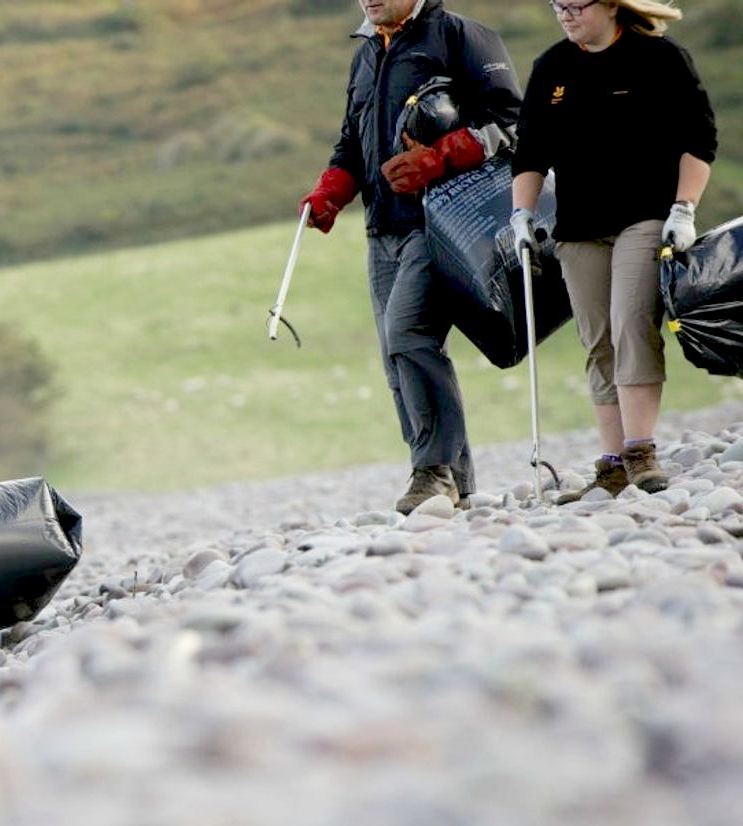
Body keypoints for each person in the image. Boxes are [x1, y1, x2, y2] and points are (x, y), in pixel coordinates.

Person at [297, 0, 521, 513]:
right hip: (382, 229)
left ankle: (431, 473)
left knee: (410, 336)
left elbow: (511, 121)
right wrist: (333, 188)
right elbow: (352, 140)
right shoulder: (366, 53)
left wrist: (440, 157)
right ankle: (460, 488)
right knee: (395, 358)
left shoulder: (464, 38)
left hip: (444, 222)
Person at [509, 0, 715, 502]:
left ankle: (640, 449)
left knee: (630, 324)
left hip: (644, 215)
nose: (564, 14)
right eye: (556, 5)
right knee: (597, 337)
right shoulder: (552, 66)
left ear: (608, 5)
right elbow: (530, 150)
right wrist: (521, 215)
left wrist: (684, 209)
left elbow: (699, 139)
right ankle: (613, 462)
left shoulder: (659, 58)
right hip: (576, 227)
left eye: (575, 5)